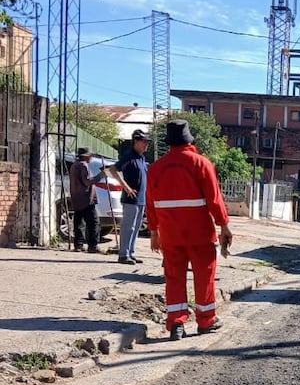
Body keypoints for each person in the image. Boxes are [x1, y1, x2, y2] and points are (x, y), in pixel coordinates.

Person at [145, 119, 233, 341]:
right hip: (199, 234)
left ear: (169, 143)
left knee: (174, 278)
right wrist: (224, 225)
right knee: (204, 276)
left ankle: (176, 322)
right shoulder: (201, 164)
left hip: (170, 234)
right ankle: (206, 321)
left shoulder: (155, 169)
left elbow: (151, 204)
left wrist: (154, 233)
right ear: (189, 140)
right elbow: (214, 199)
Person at [108, 129, 150, 265]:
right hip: (131, 198)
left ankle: (130, 252)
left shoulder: (141, 158)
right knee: (128, 227)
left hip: (141, 199)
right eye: (144, 142)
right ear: (136, 142)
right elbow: (113, 170)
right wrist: (126, 187)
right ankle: (123, 254)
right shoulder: (129, 156)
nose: (146, 145)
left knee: (136, 227)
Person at [69, 147, 103, 254]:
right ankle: (93, 245)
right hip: (86, 198)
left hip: (77, 197)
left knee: (79, 221)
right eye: (90, 156)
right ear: (86, 156)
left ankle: (78, 245)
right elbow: (87, 182)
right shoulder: (83, 165)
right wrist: (100, 176)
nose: (91, 158)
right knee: (93, 222)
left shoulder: (74, 165)